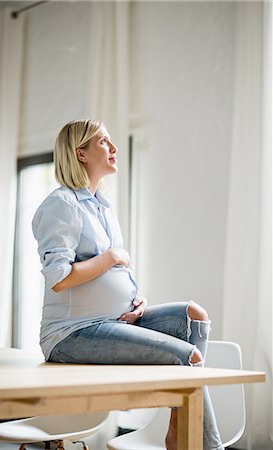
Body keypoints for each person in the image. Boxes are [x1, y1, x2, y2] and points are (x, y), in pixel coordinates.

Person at [32, 119, 223, 450]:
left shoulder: (102, 206)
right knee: (188, 357)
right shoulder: (61, 204)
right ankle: (206, 445)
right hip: (72, 333)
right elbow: (59, 278)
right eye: (104, 142)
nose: (114, 148)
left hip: (112, 321)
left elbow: (110, 275)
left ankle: (179, 425)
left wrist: (134, 301)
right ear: (80, 154)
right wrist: (111, 257)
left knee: (194, 315)